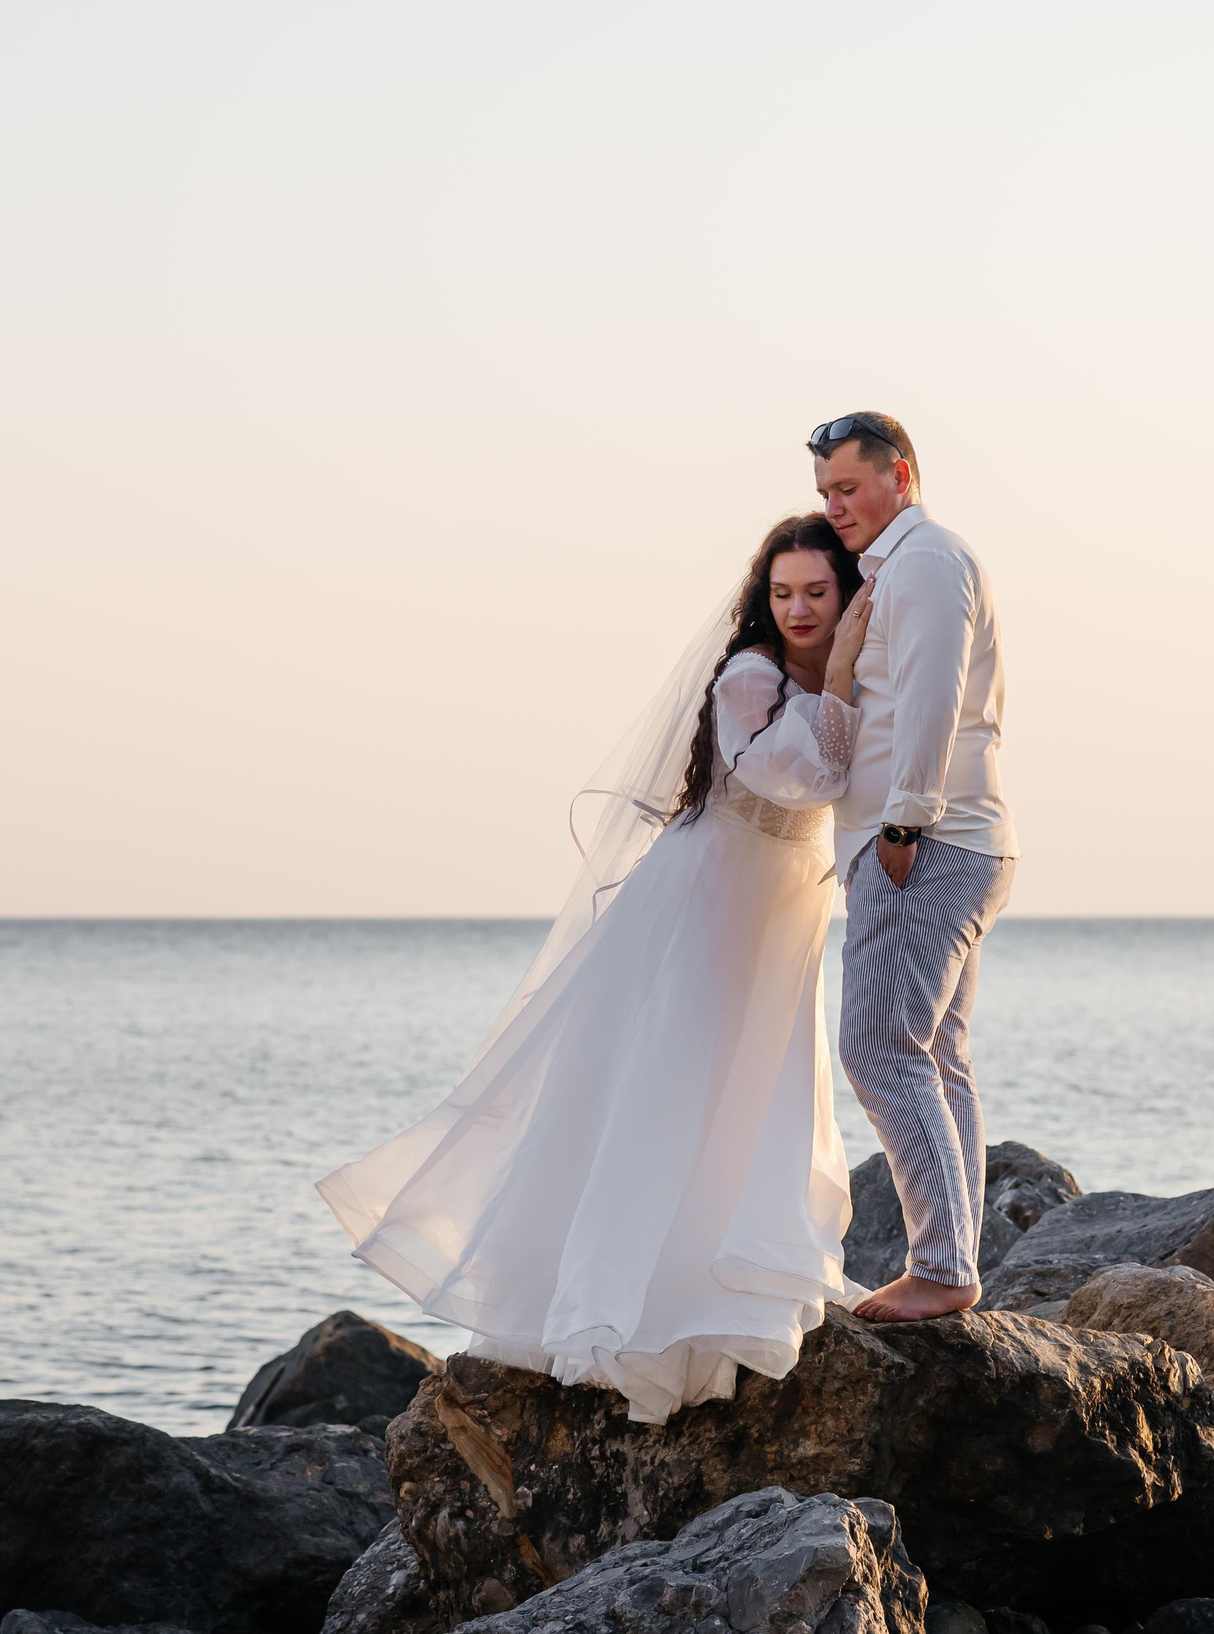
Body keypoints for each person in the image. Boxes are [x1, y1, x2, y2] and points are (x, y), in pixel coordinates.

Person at [318, 514, 876, 1422]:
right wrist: (845, 685)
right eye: (783, 592)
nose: (799, 608)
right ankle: (617, 1307)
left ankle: (721, 1280)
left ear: (844, 592)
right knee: (669, 1086)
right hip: (711, 897)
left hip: (783, 909)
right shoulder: (750, 675)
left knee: (754, 1090)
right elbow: (793, 776)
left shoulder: (841, 673)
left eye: (817, 590)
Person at [808, 411, 1019, 1324]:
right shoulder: (898, 567)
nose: (835, 507)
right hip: (952, 838)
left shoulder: (927, 561)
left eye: (848, 488)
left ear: (902, 474)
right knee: (937, 1054)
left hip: (927, 843)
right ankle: (953, 1261)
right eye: (824, 494)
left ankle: (941, 1266)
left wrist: (902, 824)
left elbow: (932, 699)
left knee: (879, 1046)